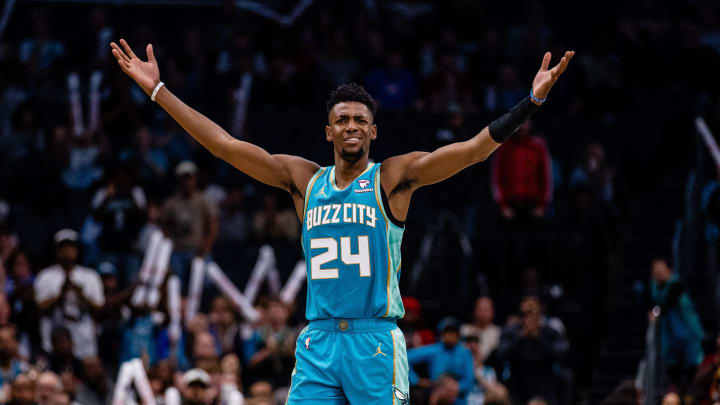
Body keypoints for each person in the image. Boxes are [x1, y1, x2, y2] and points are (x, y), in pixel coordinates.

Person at [110, 37, 574, 404]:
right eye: (342, 119)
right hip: (318, 341)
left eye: (359, 119)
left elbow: (473, 150)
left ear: (373, 130)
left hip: (374, 341)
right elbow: (224, 146)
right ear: (327, 131)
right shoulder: (303, 180)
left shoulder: (392, 178)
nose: (351, 125)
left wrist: (530, 102)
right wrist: (157, 91)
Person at [34, 229, 105, 359]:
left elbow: (100, 307)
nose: (67, 251)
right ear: (56, 250)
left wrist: (81, 295)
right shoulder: (45, 276)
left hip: (84, 338)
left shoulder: (90, 276)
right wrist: (61, 293)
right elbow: (40, 307)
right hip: (53, 339)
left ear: (77, 250)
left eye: (71, 246)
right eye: (63, 247)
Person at [408, 317, 475, 405]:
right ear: (441, 334)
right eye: (447, 332)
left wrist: (456, 387)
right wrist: (416, 380)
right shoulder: (434, 350)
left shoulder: (465, 353)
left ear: (458, 335)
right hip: (436, 391)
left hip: (459, 397)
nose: (450, 336)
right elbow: (405, 357)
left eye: (453, 332)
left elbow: (469, 380)